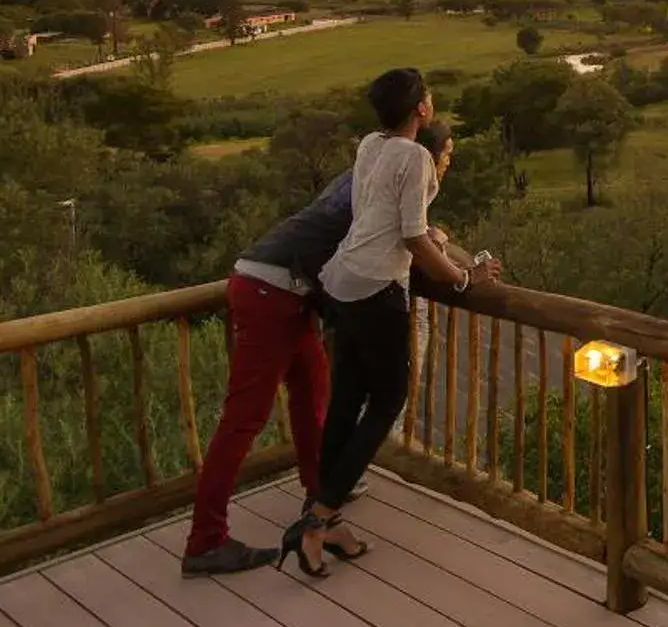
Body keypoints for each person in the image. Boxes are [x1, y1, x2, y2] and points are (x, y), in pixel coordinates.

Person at [177, 122, 453, 575]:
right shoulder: (392, 181)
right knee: (243, 419)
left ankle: (321, 498)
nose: (444, 165)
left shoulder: (366, 173)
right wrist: (450, 263)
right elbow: (400, 244)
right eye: (444, 156)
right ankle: (205, 541)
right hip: (272, 290)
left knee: (313, 399)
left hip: (286, 289)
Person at [282, 67, 498, 575]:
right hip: (377, 287)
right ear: (421, 109)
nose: (433, 101)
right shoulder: (417, 155)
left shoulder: (370, 146)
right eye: (429, 96)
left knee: (347, 399)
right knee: (387, 399)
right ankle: (318, 520)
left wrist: (437, 244)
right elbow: (413, 238)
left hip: (340, 280)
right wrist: (465, 280)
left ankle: (321, 515)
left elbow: (376, 215)